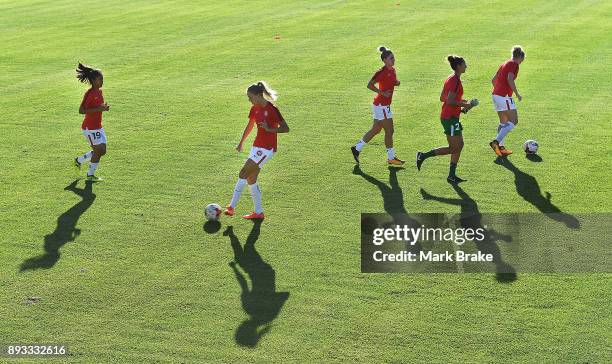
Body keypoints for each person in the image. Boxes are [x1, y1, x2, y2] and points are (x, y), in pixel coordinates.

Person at [224, 82, 289, 220]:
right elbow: (250, 125)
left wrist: (270, 129)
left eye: (250, 97)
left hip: (267, 149)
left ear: (259, 95)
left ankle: (231, 207)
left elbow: (285, 128)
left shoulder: (272, 110)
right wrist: (241, 142)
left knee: (243, 173)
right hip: (257, 146)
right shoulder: (255, 109)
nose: (249, 100)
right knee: (250, 178)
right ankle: (259, 212)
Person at [416, 55, 478, 183]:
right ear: (459, 66)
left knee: (459, 145)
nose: (466, 66)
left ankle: (451, 175)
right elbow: (449, 100)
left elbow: (442, 98)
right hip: (449, 118)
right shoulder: (455, 81)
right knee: (454, 148)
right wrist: (465, 104)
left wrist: (462, 103)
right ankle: (423, 155)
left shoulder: (451, 79)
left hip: (451, 117)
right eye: (464, 64)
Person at [351, 46, 404, 167]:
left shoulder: (392, 70)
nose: (393, 59)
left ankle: (356, 148)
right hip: (382, 106)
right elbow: (369, 85)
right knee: (389, 131)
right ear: (384, 60)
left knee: (376, 129)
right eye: (391, 58)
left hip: (382, 106)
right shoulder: (381, 72)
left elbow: (391, 81)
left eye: (393, 57)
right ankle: (391, 158)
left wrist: (396, 82)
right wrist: (382, 93)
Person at [74, 62, 110, 181]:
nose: (102, 81)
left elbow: (97, 107)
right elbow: (81, 110)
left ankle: (79, 160)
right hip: (90, 128)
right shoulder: (89, 94)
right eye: (100, 79)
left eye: (102, 79)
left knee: (102, 151)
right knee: (98, 151)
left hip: (98, 126)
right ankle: (90, 175)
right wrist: (99, 108)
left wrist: (103, 107)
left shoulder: (99, 92)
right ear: (94, 80)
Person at [489, 46, 525, 156]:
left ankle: (501, 148)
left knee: (503, 122)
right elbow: (510, 78)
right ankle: (496, 142)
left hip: (496, 95)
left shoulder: (504, 63)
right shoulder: (514, 64)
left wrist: (499, 90)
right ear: (520, 57)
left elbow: (493, 80)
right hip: (504, 96)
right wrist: (516, 93)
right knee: (514, 121)